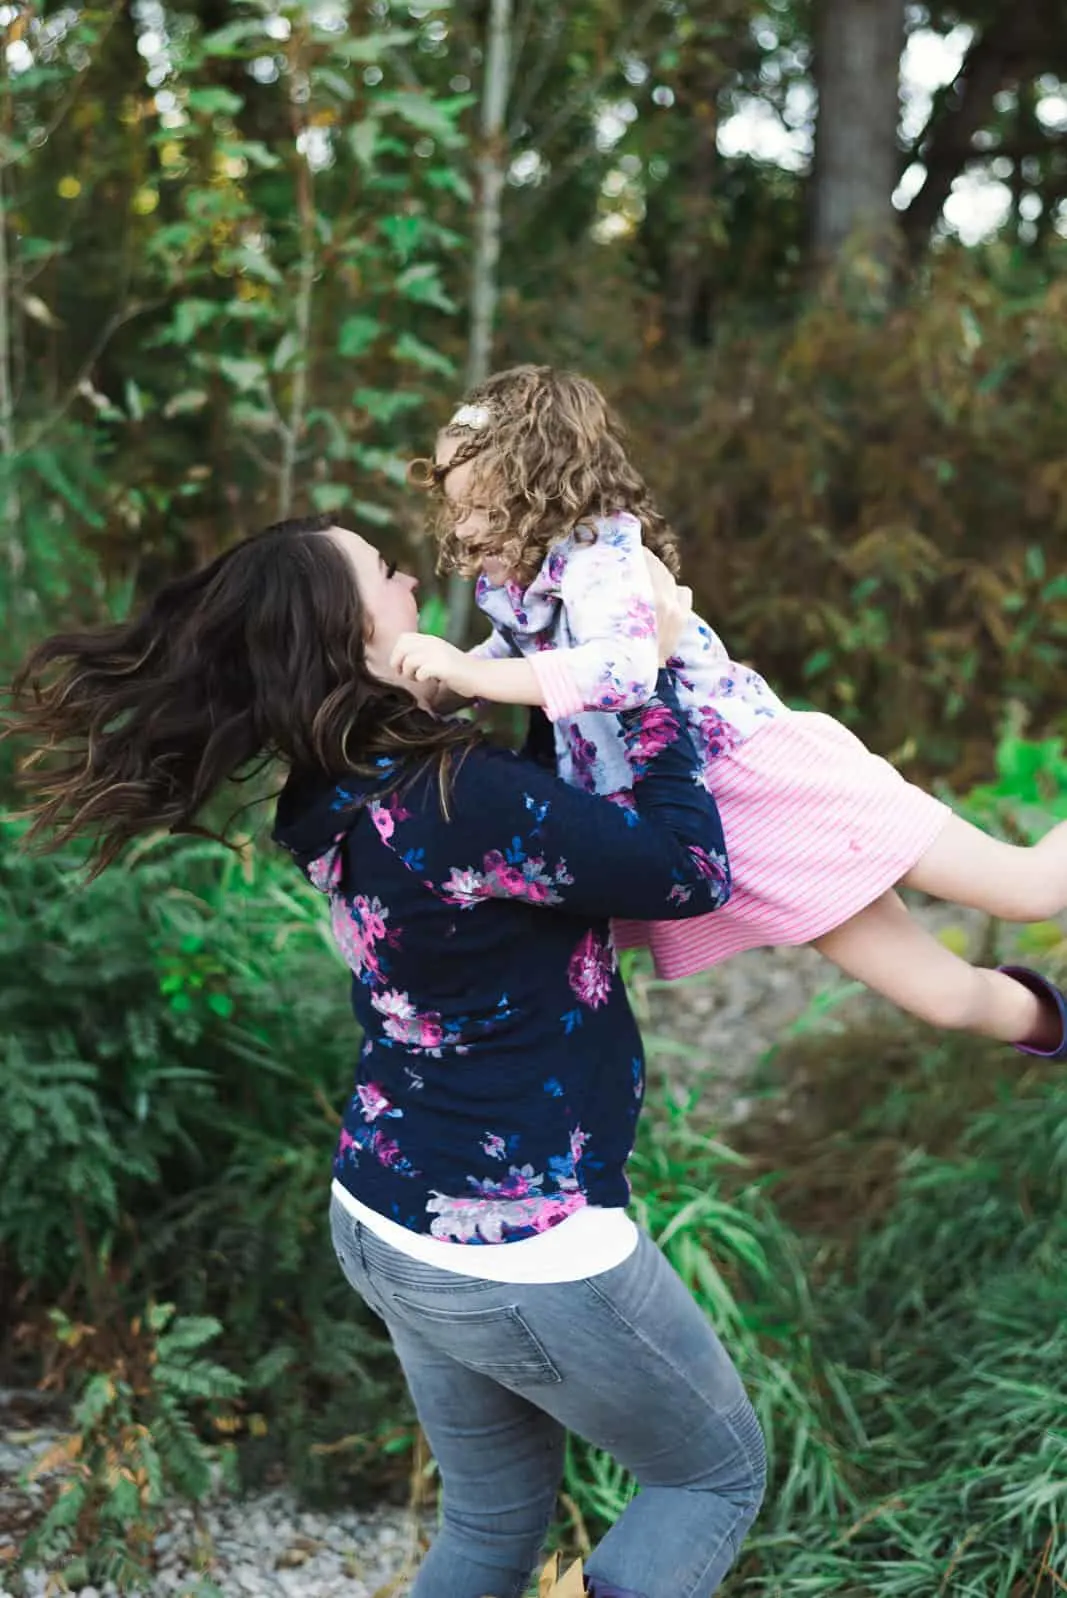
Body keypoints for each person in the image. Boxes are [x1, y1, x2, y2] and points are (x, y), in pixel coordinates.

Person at [5, 514, 765, 1598]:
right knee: (709, 1478)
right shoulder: (458, 797)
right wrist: (635, 673)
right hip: (519, 1242)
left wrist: (524, 680)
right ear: (344, 636)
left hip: (385, 1210)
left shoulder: (336, 785)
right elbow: (685, 867)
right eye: (384, 571)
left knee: (491, 1524)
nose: (413, 577)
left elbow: (550, 828)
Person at [391, 363, 1067, 1060]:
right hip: (712, 819)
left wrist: (471, 672)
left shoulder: (601, 556)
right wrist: (450, 683)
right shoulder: (519, 580)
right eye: (455, 505)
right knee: (947, 999)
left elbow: (623, 669)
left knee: (1025, 889)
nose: (463, 527)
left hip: (760, 775)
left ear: (543, 493)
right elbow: (514, 652)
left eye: (484, 510)